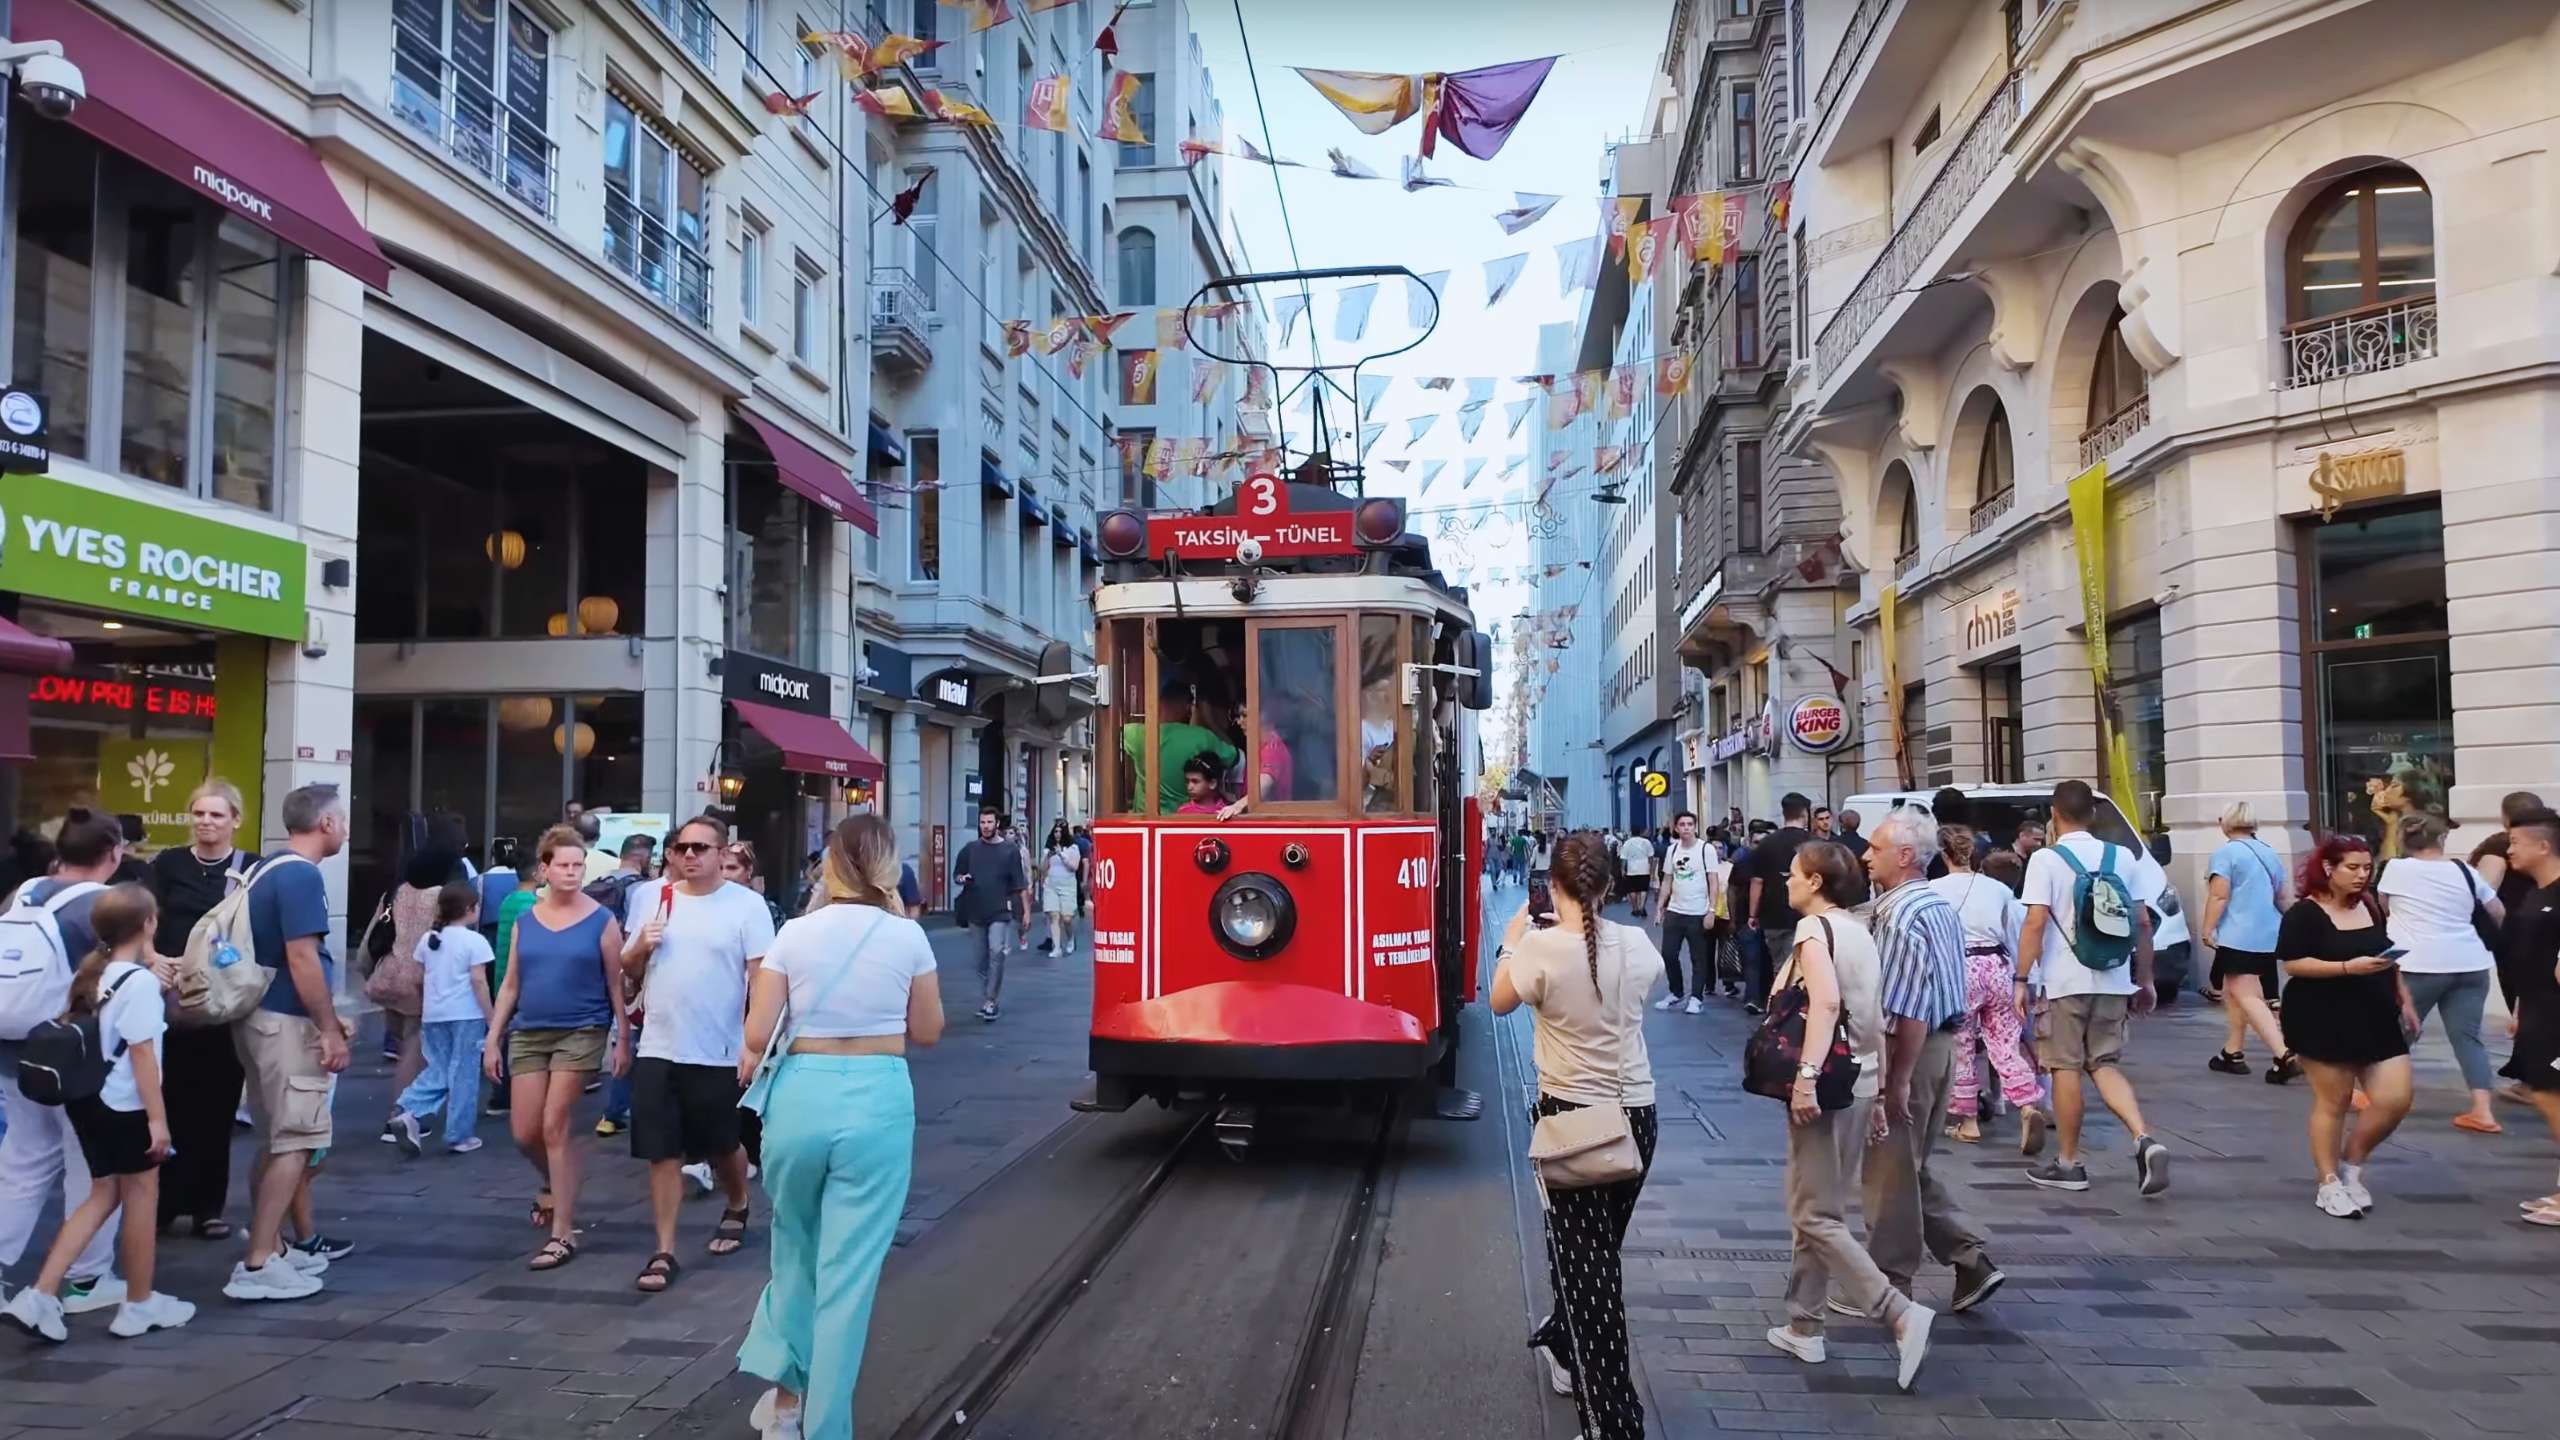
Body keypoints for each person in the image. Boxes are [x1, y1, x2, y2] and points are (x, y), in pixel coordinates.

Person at [735, 816, 944, 1440]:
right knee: (849, 1275)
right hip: (877, 1097)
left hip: (800, 1095)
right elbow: (929, 1031)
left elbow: (754, 1034)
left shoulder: (794, 934)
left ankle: (783, 1405)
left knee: (794, 1248)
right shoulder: (907, 938)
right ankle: (826, 1427)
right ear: (887, 865)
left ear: (828, 864)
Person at [1490, 833, 1666, 1439]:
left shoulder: (1539, 949)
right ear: (1611, 886)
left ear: (1553, 886)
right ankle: (1563, 1343)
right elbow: (1645, 991)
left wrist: (1508, 945)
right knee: (1593, 1255)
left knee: (1592, 1276)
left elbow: (1498, 1002)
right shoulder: (1640, 944)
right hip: (1637, 1116)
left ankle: (1613, 1423)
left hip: (1572, 1121)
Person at [1763, 840, 1935, 1391]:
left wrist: (1806, 1078)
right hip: (1859, 1082)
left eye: (1792, 873)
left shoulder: (1814, 931)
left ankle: (1897, 1311)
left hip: (1826, 1084)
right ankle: (1804, 1323)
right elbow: (1875, 1015)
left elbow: (1829, 1004)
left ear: (1815, 882)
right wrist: (1883, 1090)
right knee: (1820, 1205)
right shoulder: (1859, 931)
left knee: (1813, 1213)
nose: (1785, 881)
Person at [1, 885, 194, 1342]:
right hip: (127, 1106)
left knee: (102, 1196)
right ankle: (139, 1304)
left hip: (92, 1102)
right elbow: (144, 1056)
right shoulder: (141, 982)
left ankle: (41, 1294)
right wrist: (158, 1120)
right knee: (141, 1199)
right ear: (148, 925)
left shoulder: (95, 974)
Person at [1856, 809, 2004, 1316]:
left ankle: (1890, 1286)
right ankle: (1969, 1259)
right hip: (1944, 1046)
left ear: (1902, 855)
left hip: (1914, 1053)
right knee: (1907, 1165)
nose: (1865, 856)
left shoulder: (1900, 914)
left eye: (1874, 849)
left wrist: (1892, 1083)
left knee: (1889, 1170)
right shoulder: (1932, 903)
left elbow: (1905, 1010)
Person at [621, 815, 776, 1295]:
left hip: (717, 1047)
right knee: (661, 1150)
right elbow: (627, 969)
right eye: (681, 847)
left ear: (721, 852)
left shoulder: (746, 907)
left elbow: (761, 980)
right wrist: (639, 948)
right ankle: (664, 1249)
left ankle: (737, 1200)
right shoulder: (650, 897)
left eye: (700, 848)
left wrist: (755, 1045)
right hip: (659, 1044)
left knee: (721, 1143)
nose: (689, 855)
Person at [0, 811, 133, 1319]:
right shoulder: (105, 906)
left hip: (16, 1053)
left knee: (22, 1161)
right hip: (77, 1061)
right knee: (92, 1169)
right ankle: (86, 1279)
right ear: (114, 852)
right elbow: (121, 983)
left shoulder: (25, 892)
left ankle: (4, 1268)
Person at [481, 824, 630, 1272]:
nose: (572, 872)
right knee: (524, 1131)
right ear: (544, 870)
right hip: (529, 1030)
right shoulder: (528, 920)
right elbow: (510, 985)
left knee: (554, 1124)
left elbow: (615, 984)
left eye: (578, 865)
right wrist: (493, 1038)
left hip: (582, 1028)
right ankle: (553, 1181)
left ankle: (562, 1231)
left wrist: (622, 1037)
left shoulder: (603, 921)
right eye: (563, 865)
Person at [226, 784, 353, 1303]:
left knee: (276, 1138)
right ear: (324, 824)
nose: (346, 828)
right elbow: (302, 957)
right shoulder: (301, 876)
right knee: (296, 1141)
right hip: (286, 1022)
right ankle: (258, 1261)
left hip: (259, 1018)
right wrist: (328, 1027)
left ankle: (272, 1249)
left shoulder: (266, 868)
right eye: (342, 820)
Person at [2015, 781, 2169, 1197]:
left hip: (2065, 981)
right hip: (2114, 976)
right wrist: (2146, 979)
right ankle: (2143, 1137)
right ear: (2094, 815)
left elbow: (2035, 923)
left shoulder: (2046, 859)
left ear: (2054, 814)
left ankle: (2069, 1163)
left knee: (2065, 1067)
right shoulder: (2121, 857)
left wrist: (2021, 978)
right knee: (2104, 1063)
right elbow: (2142, 922)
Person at [2277, 834, 2415, 1218]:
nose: (2362, 876)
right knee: (2333, 1101)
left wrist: (2404, 997)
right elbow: (2292, 963)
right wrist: (2345, 968)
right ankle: (2328, 1182)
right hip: (2321, 1016)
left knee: (2395, 1098)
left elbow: (2387, 954)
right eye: (2352, 868)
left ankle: (2352, 1165)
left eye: (2367, 868)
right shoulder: (2304, 913)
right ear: (2328, 869)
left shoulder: (2369, 905)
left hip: (2376, 1012)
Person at [144, 780, 256, 1240]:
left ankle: (209, 1206)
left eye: (216, 815)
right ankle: (165, 1204)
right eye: (199, 814)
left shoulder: (250, 868)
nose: (206, 822)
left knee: (218, 1104)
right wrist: (152, 957)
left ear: (235, 820)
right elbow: (143, 914)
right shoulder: (168, 864)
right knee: (169, 1100)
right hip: (171, 1000)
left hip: (223, 999)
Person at [2375, 811, 2504, 1134]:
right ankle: (2483, 1110)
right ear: (2442, 838)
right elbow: (2497, 911)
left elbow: (2384, 907)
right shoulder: (2464, 870)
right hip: (2470, 961)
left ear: (2403, 839)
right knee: (2467, 1036)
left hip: (2419, 962)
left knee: (2397, 1031)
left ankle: (2376, 1092)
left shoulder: (2396, 869)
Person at [1929, 826, 2044, 1149]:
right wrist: (2028, 978)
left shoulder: (1933, 890)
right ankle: (2028, 1104)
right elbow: (2015, 934)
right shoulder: (1998, 890)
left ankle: (1968, 1121)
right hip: (1998, 966)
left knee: (1962, 1045)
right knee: (2006, 1043)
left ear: (1944, 854)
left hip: (1960, 969)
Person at [387, 882, 495, 1157]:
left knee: (440, 1068)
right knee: (464, 1075)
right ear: (470, 909)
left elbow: (422, 979)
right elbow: (478, 981)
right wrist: (492, 1017)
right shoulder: (476, 941)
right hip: (467, 1014)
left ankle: (408, 1108)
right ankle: (459, 1135)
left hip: (434, 1015)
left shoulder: (428, 940)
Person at [2201, 802, 2300, 1084]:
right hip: (2268, 934)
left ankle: (2284, 1054)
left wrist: (2208, 928)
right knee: (2235, 993)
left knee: (2246, 996)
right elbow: (2282, 898)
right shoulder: (2269, 853)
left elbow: (2219, 896)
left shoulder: (2225, 854)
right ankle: (2232, 1052)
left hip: (2237, 934)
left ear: (2225, 822)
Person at [2493, 808, 2560, 1223]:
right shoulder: (2536, 892)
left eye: (2515, 842)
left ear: (2544, 845)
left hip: (2556, 1016)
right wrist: (2520, 1007)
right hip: (2539, 1012)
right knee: (2545, 1094)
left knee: (2552, 1097)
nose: (2510, 849)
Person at [1742, 794, 1819, 1015]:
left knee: (1781, 966)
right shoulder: (1816, 843)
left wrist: (1752, 914)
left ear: (1784, 813)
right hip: (1809, 914)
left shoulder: (1766, 844)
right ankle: (1805, 1011)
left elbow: (1757, 882)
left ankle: (1781, 1012)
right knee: (1812, 965)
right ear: (1805, 814)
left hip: (1773, 915)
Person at [1121, 676, 1243, 815]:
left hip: (1145, 820)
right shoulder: (1202, 736)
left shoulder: (1135, 733)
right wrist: (1210, 721)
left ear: (1159, 703)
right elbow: (1236, 758)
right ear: (1189, 708)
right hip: (1185, 820)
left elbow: (1106, 739)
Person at [952, 809, 1030, 1023]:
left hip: (1000, 910)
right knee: (980, 960)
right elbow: (957, 875)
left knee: (997, 951)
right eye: (982, 822)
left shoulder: (1009, 850)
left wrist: (1026, 912)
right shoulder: (970, 849)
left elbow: (1020, 884)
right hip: (976, 911)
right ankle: (989, 993)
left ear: (997, 824)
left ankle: (990, 1000)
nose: (985, 826)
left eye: (989, 822)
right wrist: (962, 879)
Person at [1653, 812, 1716, 1016]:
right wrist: (1660, 907)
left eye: (1690, 824)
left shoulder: (1706, 849)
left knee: (1699, 957)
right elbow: (1667, 880)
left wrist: (1711, 910)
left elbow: (1713, 881)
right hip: (1675, 910)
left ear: (1695, 827)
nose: (1686, 828)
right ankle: (1676, 991)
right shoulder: (1672, 850)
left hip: (1698, 911)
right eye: (1682, 824)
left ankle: (1696, 997)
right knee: (1668, 954)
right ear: (1676, 828)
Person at [1040, 822, 1083, 958]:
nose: (1057, 834)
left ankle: (1070, 939)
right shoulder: (1048, 849)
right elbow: (1043, 868)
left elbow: (1074, 867)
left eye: (1060, 831)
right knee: (1054, 916)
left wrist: (1061, 855)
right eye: (1055, 831)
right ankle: (1056, 947)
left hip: (1067, 886)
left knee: (1067, 918)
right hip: (1051, 885)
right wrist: (1048, 856)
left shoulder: (1073, 848)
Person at [1616, 827, 1655, 919]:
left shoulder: (1627, 843)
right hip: (1644, 868)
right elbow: (1651, 857)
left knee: (1632, 890)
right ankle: (1642, 907)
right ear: (1641, 832)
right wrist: (1651, 868)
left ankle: (1635, 908)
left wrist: (1622, 869)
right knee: (1643, 889)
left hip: (1631, 869)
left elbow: (1623, 858)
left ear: (1631, 833)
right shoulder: (1646, 842)